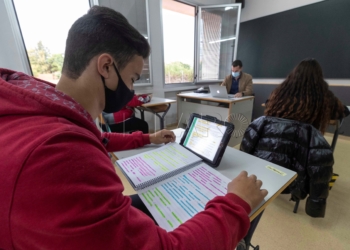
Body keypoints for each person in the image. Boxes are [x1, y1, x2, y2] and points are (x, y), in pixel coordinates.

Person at [0, 6, 267, 249]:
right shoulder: (64, 155)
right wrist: (236, 205)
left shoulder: (35, 103)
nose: (131, 89)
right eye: (132, 78)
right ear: (106, 66)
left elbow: (99, 139)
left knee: (157, 194)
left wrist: (147, 137)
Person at [240, 58, 347, 217]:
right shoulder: (324, 95)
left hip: (264, 160)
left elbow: (268, 104)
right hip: (298, 165)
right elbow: (342, 112)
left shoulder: (280, 90)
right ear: (319, 76)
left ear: (294, 74)